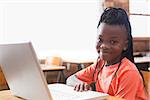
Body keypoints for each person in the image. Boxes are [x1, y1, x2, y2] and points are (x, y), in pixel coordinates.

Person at [66, 7, 148, 100]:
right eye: (100, 40)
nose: (104, 46)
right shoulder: (100, 65)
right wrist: (79, 84)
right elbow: (70, 79)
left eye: (113, 42)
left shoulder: (128, 72)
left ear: (125, 45)